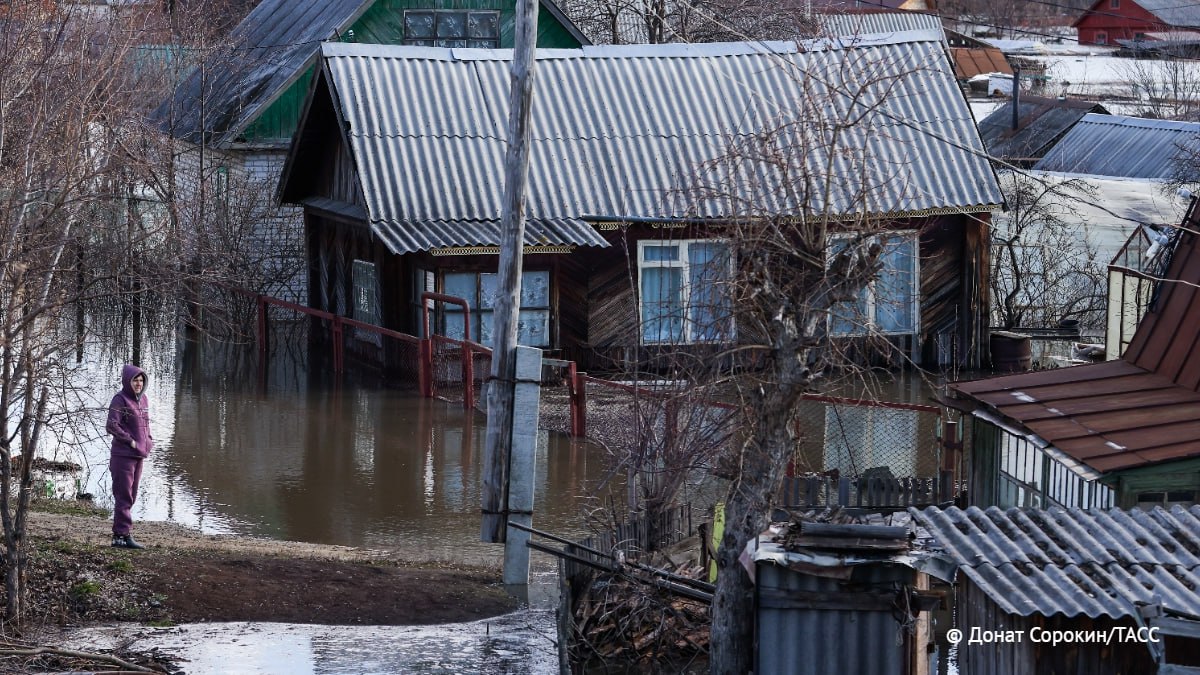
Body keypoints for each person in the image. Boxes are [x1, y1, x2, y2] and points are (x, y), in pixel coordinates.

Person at [106, 364, 153, 549]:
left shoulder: (144, 400)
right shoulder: (120, 399)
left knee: (131, 495)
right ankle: (120, 536)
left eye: (141, 380)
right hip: (123, 456)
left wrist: (149, 441)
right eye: (135, 380)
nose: (139, 383)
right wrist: (130, 441)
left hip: (138, 456)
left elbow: (146, 425)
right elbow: (111, 425)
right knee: (123, 495)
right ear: (128, 381)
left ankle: (123, 535)